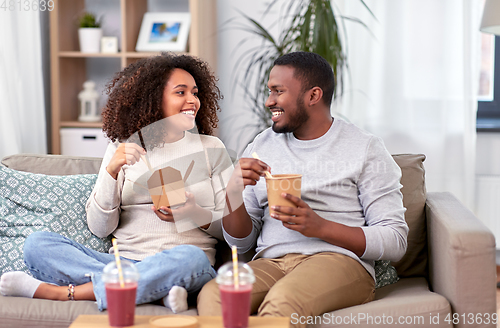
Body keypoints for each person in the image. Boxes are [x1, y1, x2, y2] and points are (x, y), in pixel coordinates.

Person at [0, 52, 233, 313]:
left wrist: (193, 213)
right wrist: (112, 171)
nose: (193, 101)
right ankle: (155, 289)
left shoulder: (211, 148)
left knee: (190, 259)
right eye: (181, 93)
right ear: (154, 99)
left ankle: (67, 294)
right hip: (122, 262)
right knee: (37, 245)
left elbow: (233, 232)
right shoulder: (122, 148)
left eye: (195, 93)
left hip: (184, 259)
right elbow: (100, 228)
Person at [197, 51, 409, 327]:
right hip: (272, 263)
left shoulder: (364, 147)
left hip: (339, 261)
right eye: (269, 91)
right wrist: (233, 193)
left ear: (313, 96)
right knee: (215, 295)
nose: (268, 101)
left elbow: (396, 240)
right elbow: (241, 242)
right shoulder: (261, 145)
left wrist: (320, 227)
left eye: (278, 91)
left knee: (282, 302)